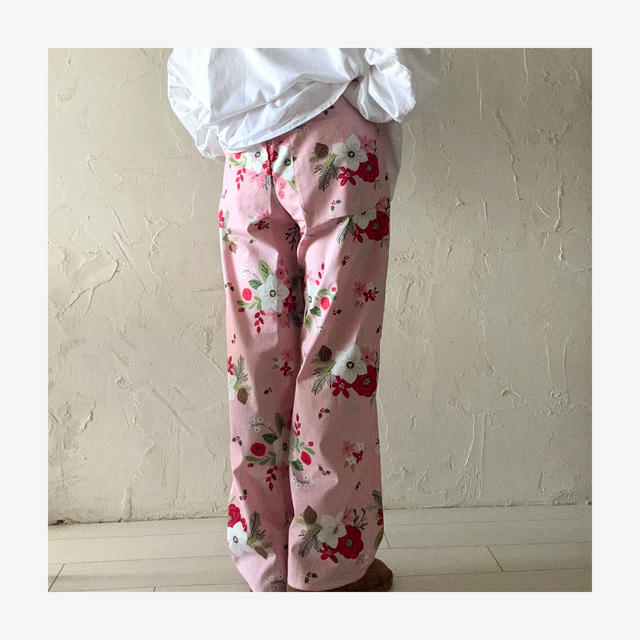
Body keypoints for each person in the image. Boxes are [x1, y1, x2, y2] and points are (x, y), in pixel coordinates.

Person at [166, 48, 440, 592]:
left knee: (255, 361)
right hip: (334, 149)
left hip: (246, 159)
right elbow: (404, 62)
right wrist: (351, 103)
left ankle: (265, 557)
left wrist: (243, 121)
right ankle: (326, 563)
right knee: (336, 359)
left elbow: (187, 76)